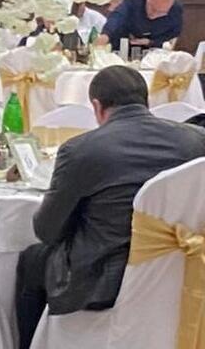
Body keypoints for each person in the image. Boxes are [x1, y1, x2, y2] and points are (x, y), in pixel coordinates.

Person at [13, 66, 205, 348]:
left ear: (97, 106)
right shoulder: (196, 140)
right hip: (179, 269)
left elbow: (47, 231)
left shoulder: (81, 150)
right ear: (146, 101)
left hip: (103, 280)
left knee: (31, 259)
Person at [97, 0, 182, 51]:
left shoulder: (176, 10)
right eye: (152, 9)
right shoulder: (134, 0)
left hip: (152, 48)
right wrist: (106, 34)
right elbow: (118, 16)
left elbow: (174, 33)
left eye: (160, 12)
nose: (153, 15)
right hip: (123, 43)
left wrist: (151, 42)